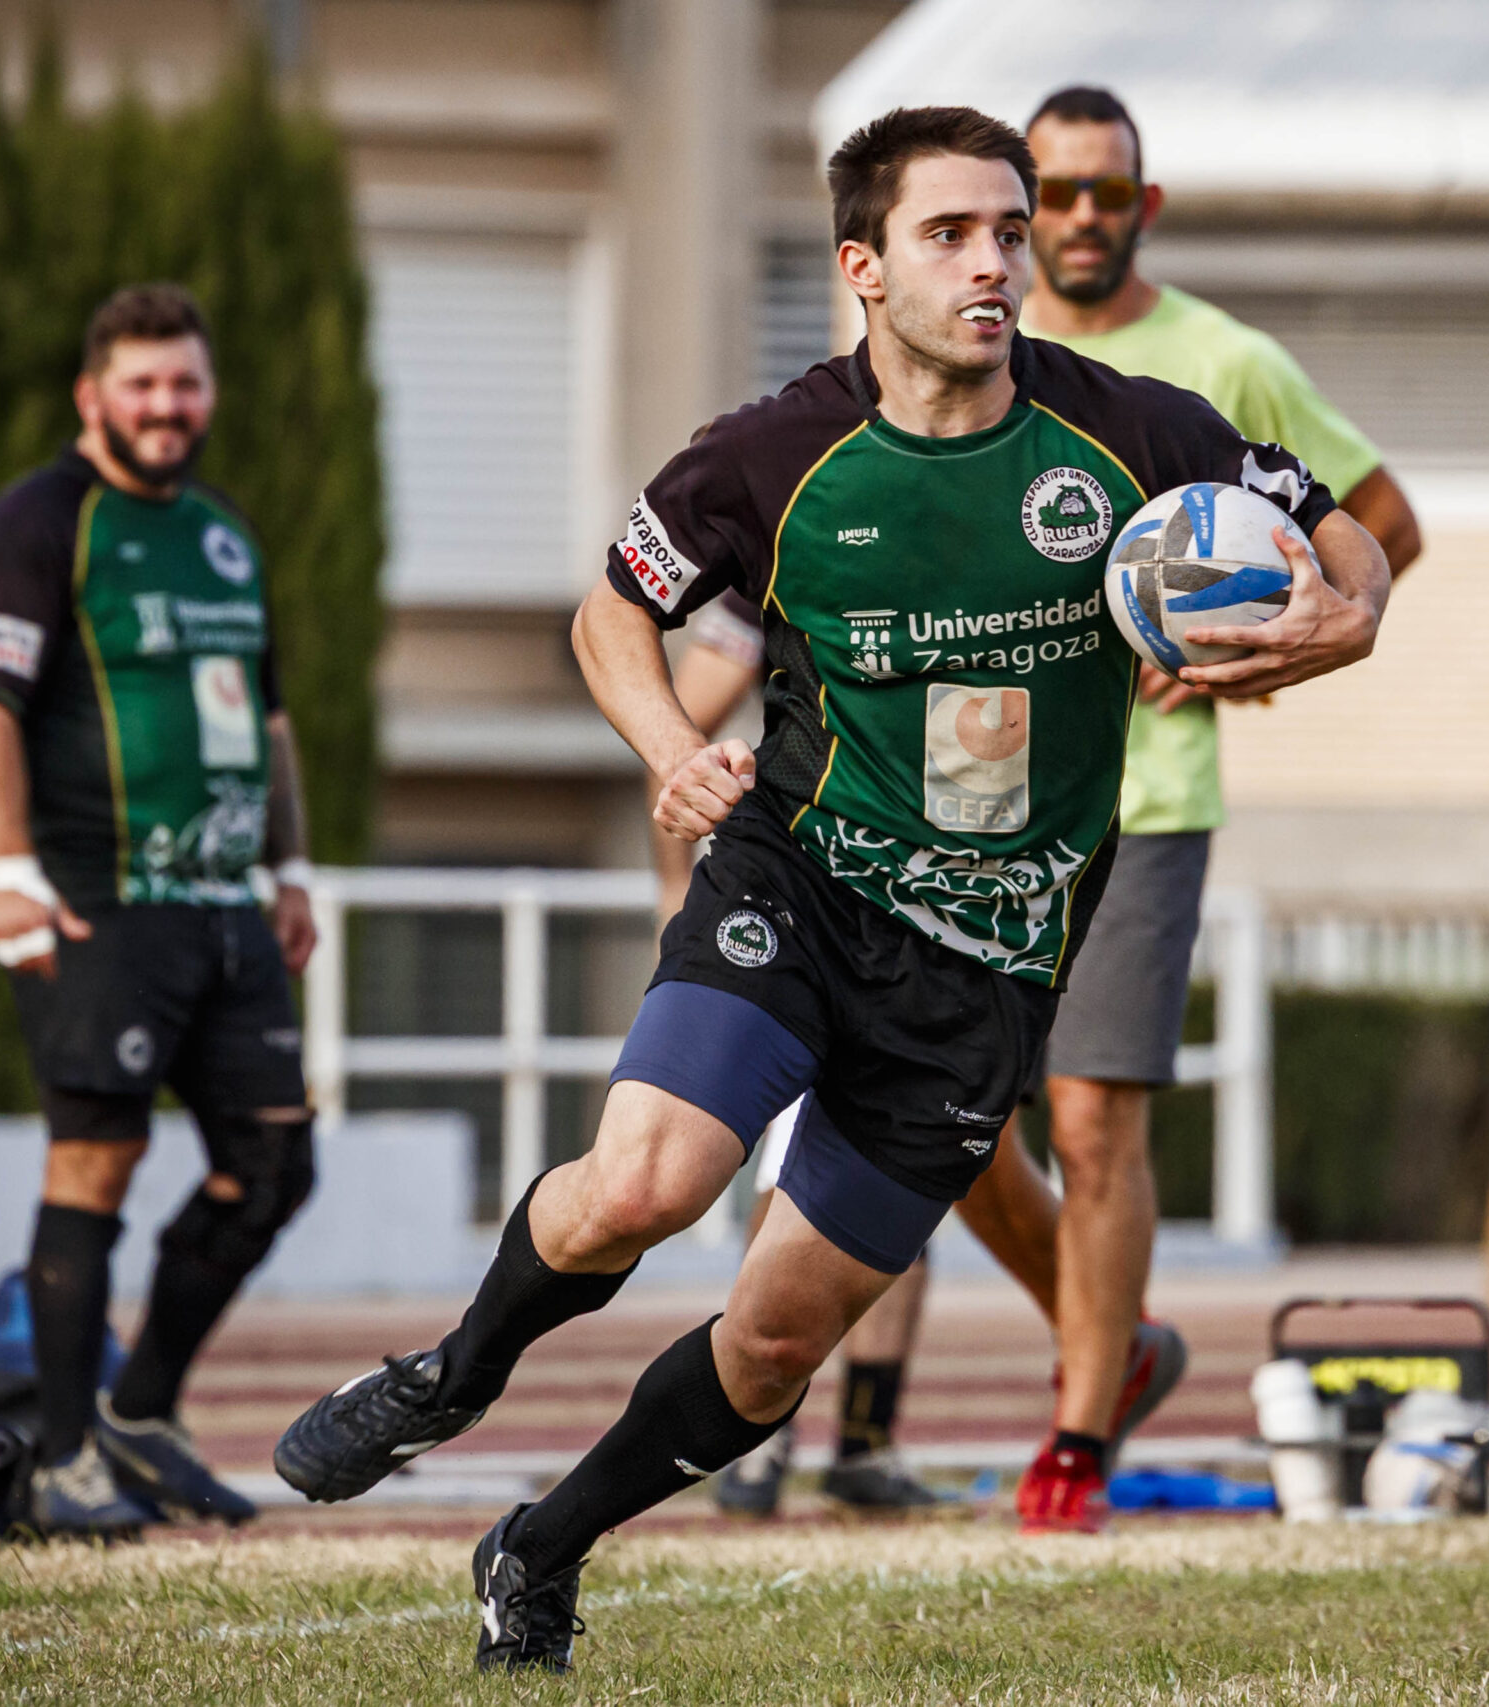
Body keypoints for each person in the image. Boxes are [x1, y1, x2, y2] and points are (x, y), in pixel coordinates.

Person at [272, 104, 1386, 1674]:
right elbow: (612, 616)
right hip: (799, 882)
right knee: (645, 1184)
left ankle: (540, 1540)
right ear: (864, 267)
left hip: (993, 962)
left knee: (777, 1335)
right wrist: (670, 744)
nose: (994, 260)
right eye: (953, 233)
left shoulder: (1137, 432)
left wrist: (1346, 620)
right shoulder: (772, 453)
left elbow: (1351, 537)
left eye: (1008, 231)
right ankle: (455, 1372)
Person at [965, 86, 1429, 1533]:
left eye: (1113, 192)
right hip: (975, 787)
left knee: (1095, 1121)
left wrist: (1245, 664)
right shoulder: (981, 356)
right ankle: (1124, 1332)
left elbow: (1383, 520)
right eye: (1061, 193)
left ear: (1143, 206)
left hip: (1147, 800)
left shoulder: (1225, 359)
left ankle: (1079, 1436)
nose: (1087, 217)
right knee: (945, 1118)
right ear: (1027, 213)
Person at [0, 283, 320, 1534]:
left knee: (275, 1162)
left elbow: (265, 722)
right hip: (99, 903)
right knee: (97, 1160)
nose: (168, 407)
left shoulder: (221, 533)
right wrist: (8, 872)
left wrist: (290, 870)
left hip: (226, 909)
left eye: (186, 383)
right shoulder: (39, 521)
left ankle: (139, 1415)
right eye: (143, 384)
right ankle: (62, 1463)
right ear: (92, 394)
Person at [649, 597, 950, 1514]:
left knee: (906, 1176)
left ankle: (864, 1441)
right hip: (808, 912)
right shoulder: (780, 547)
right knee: (790, 1181)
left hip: (945, 917)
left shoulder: (969, 533)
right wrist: (675, 891)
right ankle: (756, 1444)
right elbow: (684, 721)